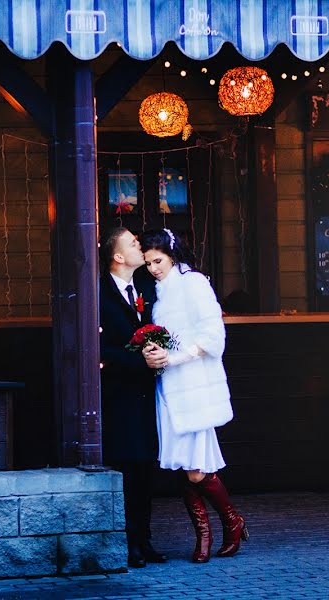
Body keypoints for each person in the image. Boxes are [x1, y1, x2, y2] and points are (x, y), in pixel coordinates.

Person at [139, 228, 248, 563]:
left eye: (158, 260)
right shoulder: (157, 290)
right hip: (169, 385)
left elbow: (213, 336)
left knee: (195, 469)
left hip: (194, 383)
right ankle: (204, 535)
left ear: (172, 254)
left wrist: (174, 357)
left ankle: (230, 521)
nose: (154, 268)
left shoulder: (194, 282)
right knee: (185, 466)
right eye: (148, 263)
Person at [98, 227, 168, 569]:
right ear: (119, 257)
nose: (140, 246)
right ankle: (128, 543)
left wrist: (159, 353)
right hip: (118, 392)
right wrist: (136, 359)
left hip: (146, 391)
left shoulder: (145, 288)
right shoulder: (98, 291)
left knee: (145, 468)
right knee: (126, 466)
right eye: (134, 243)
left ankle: (145, 539)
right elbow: (99, 347)